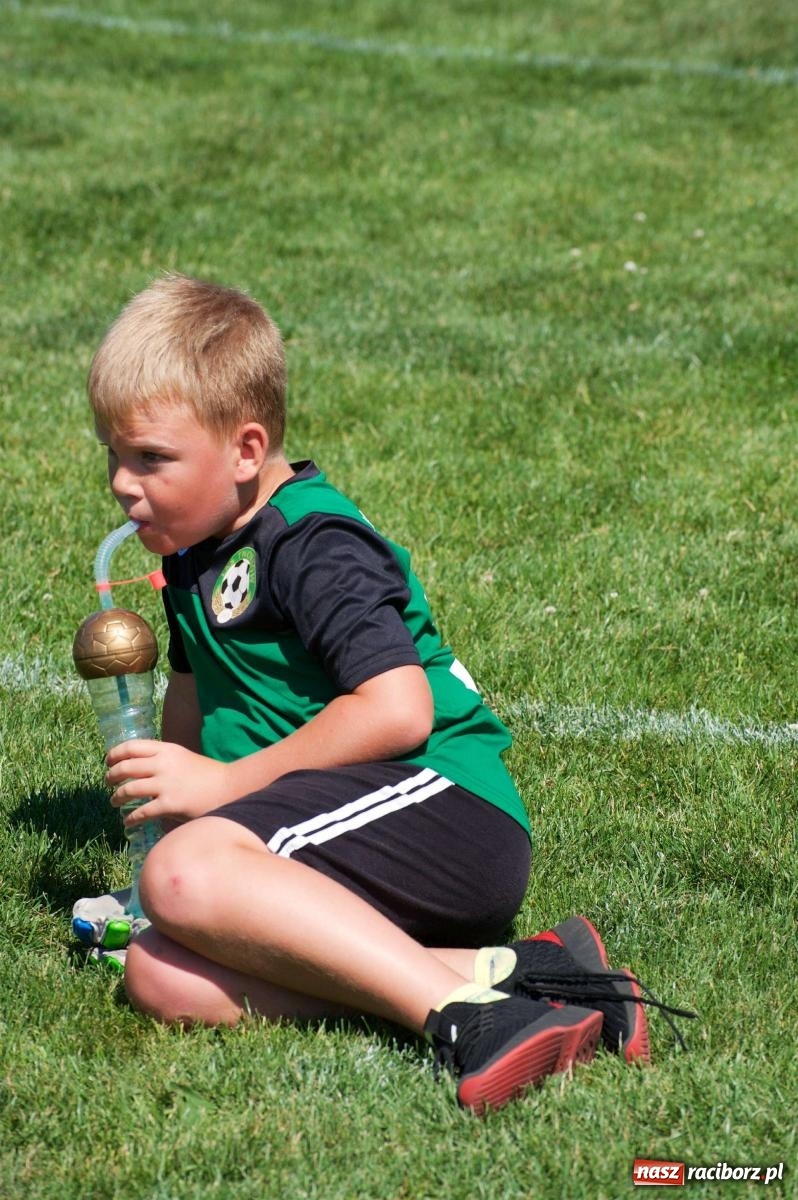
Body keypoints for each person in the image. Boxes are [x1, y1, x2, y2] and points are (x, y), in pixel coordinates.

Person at [84, 273, 654, 1114]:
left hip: (446, 809)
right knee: (163, 973)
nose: (123, 485)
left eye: (151, 459)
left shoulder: (312, 542)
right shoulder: (192, 548)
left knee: (185, 875)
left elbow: (398, 707)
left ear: (246, 451)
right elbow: (193, 693)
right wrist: (174, 803)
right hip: (340, 819)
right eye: (113, 454)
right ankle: (533, 979)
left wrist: (221, 792)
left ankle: (467, 1021)